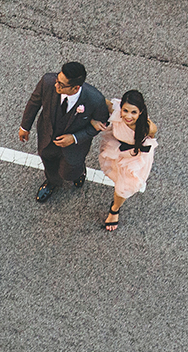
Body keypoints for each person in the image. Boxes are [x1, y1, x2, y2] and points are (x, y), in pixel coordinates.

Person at [18, 62, 110, 202]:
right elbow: (34, 102)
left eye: (61, 84)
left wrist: (74, 138)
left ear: (75, 88)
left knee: (69, 172)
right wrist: (25, 127)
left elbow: (100, 125)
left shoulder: (95, 100)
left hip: (75, 147)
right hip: (47, 137)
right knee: (49, 163)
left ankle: (79, 172)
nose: (56, 86)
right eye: (57, 80)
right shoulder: (47, 82)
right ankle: (52, 183)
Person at [98, 90, 158, 231]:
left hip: (135, 156)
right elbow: (97, 99)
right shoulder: (114, 109)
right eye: (125, 111)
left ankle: (115, 209)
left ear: (141, 112)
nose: (128, 116)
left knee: (124, 187)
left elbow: (149, 141)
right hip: (117, 147)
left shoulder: (148, 128)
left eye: (134, 112)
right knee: (113, 172)